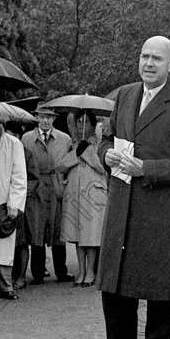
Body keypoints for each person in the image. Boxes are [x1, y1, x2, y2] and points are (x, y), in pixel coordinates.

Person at [82, 35, 170, 339]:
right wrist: (105, 154)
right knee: (114, 286)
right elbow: (105, 140)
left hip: (158, 213)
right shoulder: (123, 96)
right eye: (144, 56)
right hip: (121, 208)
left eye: (157, 59)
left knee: (158, 290)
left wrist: (145, 169)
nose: (149, 63)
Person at [21, 104, 74, 283]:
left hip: (56, 187)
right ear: (36, 117)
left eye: (48, 117)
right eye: (41, 116)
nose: (45, 120)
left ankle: (61, 271)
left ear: (54, 119)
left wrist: (65, 183)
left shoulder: (64, 139)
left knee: (58, 230)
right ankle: (37, 272)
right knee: (37, 230)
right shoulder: (26, 138)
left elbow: (69, 163)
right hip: (36, 188)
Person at [55, 110, 108, 287]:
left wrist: (86, 151)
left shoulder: (100, 142)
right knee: (77, 234)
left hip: (93, 194)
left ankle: (91, 270)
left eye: (85, 121)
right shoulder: (71, 143)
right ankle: (82, 270)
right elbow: (60, 165)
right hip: (74, 192)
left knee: (91, 234)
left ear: (92, 124)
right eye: (78, 120)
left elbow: (102, 166)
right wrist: (76, 152)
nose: (81, 124)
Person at [0, 100, 27, 299]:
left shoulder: (13, 143)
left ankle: (6, 286)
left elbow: (19, 176)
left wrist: (15, 203)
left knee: (2, 242)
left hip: (1, 203)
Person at [4, 122, 41, 290]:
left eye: (14, 135)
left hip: (22, 204)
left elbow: (33, 179)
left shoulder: (27, 154)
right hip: (3, 205)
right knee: (7, 242)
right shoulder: (1, 152)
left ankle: (20, 276)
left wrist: (19, 196)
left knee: (22, 242)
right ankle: (7, 277)